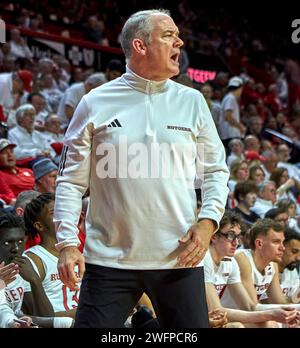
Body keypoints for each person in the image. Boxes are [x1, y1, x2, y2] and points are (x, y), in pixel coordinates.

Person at [54, 9, 229, 328]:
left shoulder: (192, 102)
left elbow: (216, 171)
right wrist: (66, 244)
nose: (180, 41)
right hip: (108, 261)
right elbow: (70, 182)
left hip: (179, 259)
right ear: (140, 45)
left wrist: (207, 224)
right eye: (168, 35)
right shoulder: (96, 101)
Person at [204, 211, 297, 327]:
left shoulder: (230, 261)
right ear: (213, 236)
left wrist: (294, 310)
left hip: (227, 316)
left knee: (285, 322)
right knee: (248, 325)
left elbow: (250, 306)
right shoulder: (236, 258)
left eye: (238, 237)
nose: (236, 242)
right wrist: (270, 315)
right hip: (206, 317)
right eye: (231, 235)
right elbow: (217, 311)